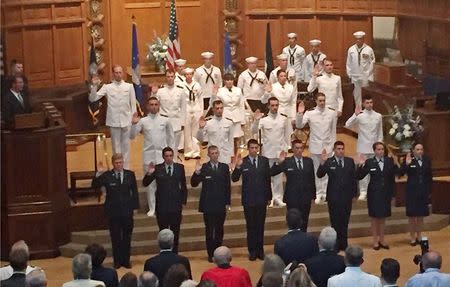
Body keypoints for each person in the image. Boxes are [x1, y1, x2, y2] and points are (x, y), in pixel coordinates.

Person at [91, 153, 139, 268]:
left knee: (127, 237)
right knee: (116, 238)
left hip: (127, 212)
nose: (119, 165)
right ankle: (117, 261)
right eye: (117, 163)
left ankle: (126, 261)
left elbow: (135, 192)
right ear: (113, 164)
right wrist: (98, 173)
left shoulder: (130, 174)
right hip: (113, 213)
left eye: (120, 162)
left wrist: (135, 207)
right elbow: (95, 185)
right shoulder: (107, 175)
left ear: (123, 162)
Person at [130, 97, 175, 217]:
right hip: (148, 156)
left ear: (159, 106)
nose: (154, 106)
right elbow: (131, 135)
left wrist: (171, 156)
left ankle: (163, 206)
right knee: (150, 185)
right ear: (148, 106)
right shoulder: (143, 121)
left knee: (164, 184)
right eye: (151, 104)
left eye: (156, 104)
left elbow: (171, 138)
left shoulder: (165, 120)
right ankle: (152, 208)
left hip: (162, 157)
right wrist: (134, 124)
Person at [231, 139, 272, 261]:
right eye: (252, 148)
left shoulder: (264, 161)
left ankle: (260, 250)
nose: (254, 150)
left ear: (258, 148)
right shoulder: (243, 161)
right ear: (248, 149)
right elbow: (234, 179)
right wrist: (237, 167)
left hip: (261, 199)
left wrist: (269, 197)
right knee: (251, 226)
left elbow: (267, 179)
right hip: (249, 200)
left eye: (256, 147)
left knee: (260, 226)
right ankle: (252, 251)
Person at [89, 65, 137, 169]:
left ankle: (126, 169)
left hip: (126, 120)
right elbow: (93, 98)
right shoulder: (107, 87)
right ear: (113, 74)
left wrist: (134, 117)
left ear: (122, 73)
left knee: (126, 147)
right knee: (116, 146)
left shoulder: (129, 86)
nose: (118, 75)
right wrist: (93, 86)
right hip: (113, 121)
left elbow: (133, 103)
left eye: (120, 72)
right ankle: (117, 168)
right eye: (116, 72)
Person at [143, 147, 188, 253]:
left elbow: (183, 186)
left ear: (173, 156)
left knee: (175, 232)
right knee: (163, 232)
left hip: (176, 206)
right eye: (166, 156)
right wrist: (149, 173)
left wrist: (183, 201)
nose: (169, 158)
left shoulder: (179, 167)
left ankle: (174, 253)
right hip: (162, 207)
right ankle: (164, 253)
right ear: (163, 157)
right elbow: (145, 183)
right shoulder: (158, 168)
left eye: (171, 156)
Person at [356, 142, 400, 250]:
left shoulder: (389, 161)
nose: (381, 151)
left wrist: (397, 163)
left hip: (386, 194)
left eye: (382, 149)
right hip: (374, 194)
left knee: (383, 218)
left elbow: (396, 175)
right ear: (374, 151)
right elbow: (359, 176)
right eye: (378, 149)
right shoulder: (370, 162)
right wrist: (360, 165)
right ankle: (375, 241)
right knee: (375, 218)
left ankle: (382, 240)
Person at [191, 146, 231, 262]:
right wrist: (197, 172)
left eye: (216, 153)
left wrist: (227, 202)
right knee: (209, 231)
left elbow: (227, 186)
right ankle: (210, 254)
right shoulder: (204, 168)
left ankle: (219, 253)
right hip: (208, 205)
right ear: (208, 155)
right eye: (212, 153)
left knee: (219, 230)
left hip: (220, 204)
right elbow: (194, 183)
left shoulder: (224, 167)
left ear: (218, 154)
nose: (214, 155)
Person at [296, 93, 337, 204]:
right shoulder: (310, 113)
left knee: (328, 171)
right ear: (316, 101)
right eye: (320, 100)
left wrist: (333, 147)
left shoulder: (332, 113)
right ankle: (319, 193)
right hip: (315, 146)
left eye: (324, 100)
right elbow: (299, 125)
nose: (322, 102)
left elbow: (333, 131)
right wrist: (300, 113)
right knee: (316, 171)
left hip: (328, 146)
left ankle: (326, 193)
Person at [317, 141, 357, 250]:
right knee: (335, 221)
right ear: (334, 150)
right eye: (338, 149)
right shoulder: (329, 161)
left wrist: (354, 194)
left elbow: (353, 179)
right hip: (333, 197)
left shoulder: (349, 161)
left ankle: (344, 244)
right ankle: (336, 244)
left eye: (342, 148)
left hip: (347, 197)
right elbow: (320, 175)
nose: (341, 151)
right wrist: (322, 162)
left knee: (345, 221)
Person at [251, 97, 291, 207]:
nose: (274, 107)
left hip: (279, 152)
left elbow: (287, 136)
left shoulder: (283, 119)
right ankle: (270, 198)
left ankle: (278, 198)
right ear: (268, 106)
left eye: (276, 105)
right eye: (272, 105)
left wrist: (287, 149)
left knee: (278, 176)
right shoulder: (263, 120)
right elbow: (254, 131)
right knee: (267, 177)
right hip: (267, 152)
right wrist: (256, 120)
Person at [271, 140, 316, 231]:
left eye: (301, 148)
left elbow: (312, 179)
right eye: (297, 148)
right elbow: (272, 172)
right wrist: (279, 162)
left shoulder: (308, 161)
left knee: (304, 222)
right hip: (292, 198)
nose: (299, 150)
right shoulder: (287, 161)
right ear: (293, 149)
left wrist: (313, 196)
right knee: (293, 222)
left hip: (306, 198)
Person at [344, 95, 383, 201]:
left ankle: (373, 191)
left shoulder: (378, 116)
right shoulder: (360, 116)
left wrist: (380, 147)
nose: (369, 104)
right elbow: (347, 125)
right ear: (363, 104)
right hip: (363, 147)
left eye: (371, 102)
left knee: (375, 171)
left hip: (374, 148)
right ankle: (363, 191)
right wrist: (355, 114)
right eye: (367, 103)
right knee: (363, 171)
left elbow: (380, 133)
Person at [400, 143, 432, 245]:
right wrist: (406, 164)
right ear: (413, 150)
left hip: (423, 191)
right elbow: (400, 173)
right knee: (412, 216)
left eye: (421, 149)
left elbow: (429, 176)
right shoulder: (410, 160)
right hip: (412, 192)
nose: (420, 151)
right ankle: (412, 237)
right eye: (417, 149)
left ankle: (419, 236)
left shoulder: (427, 160)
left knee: (420, 216)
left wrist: (429, 191)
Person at [152, 69, 186, 161]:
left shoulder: (180, 91)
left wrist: (182, 123)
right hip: (164, 122)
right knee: (164, 146)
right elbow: (154, 104)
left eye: (172, 76)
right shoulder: (160, 91)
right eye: (168, 76)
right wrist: (154, 93)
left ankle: (174, 164)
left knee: (174, 147)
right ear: (165, 77)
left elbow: (183, 108)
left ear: (174, 77)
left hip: (176, 121)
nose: (170, 78)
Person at [212, 73, 245, 153]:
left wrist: (243, 120)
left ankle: (234, 158)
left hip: (236, 117)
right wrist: (213, 94)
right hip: (225, 115)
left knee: (235, 139)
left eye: (231, 80)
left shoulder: (238, 90)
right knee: (225, 138)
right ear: (224, 81)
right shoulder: (220, 91)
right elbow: (214, 104)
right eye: (227, 80)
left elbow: (241, 105)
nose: (229, 82)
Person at [346, 31, 375, 108]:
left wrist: (369, 74)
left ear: (363, 39)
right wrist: (349, 74)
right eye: (357, 39)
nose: (359, 40)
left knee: (365, 93)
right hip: (354, 75)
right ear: (355, 39)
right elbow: (348, 62)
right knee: (356, 94)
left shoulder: (369, 49)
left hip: (365, 75)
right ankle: (358, 109)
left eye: (360, 39)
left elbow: (372, 62)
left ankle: (367, 108)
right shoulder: (351, 49)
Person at [182, 67, 203, 160]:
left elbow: (200, 98)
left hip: (196, 108)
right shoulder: (182, 85)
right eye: (187, 74)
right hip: (186, 108)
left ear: (192, 75)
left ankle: (196, 151)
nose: (188, 76)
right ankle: (188, 152)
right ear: (185, 75)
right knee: (187, 132)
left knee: (195, 131)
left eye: (190, 74)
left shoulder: (197, 85)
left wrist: (201, 111)